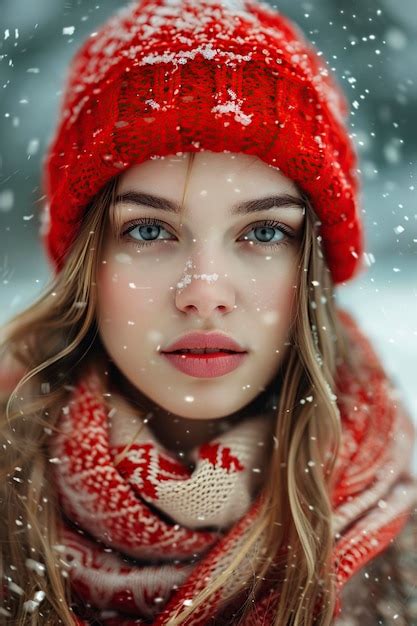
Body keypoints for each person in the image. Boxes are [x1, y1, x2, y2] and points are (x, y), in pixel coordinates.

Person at [0, 1, 416, 624]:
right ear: (90, 261)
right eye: (146, 230)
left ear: (314, 269)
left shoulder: (399, 538)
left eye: (267, 232)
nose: (205, 292)